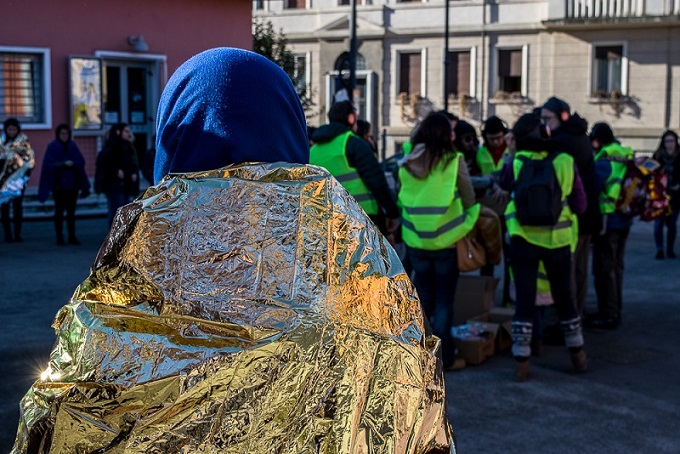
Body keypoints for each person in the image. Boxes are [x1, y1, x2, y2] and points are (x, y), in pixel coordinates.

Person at [14, 48, 454, 453]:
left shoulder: (127, 284)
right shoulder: (363, 276)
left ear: (171, 141)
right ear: (291, 134)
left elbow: (56, 425)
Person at [499, 113, 587, 381]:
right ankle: (578, 357)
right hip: (558, 241)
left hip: (523, 239)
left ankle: (521, 363)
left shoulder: (518, 162)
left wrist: (511, 152)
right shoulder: (565, 161)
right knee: (565, 300)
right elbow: (580, 205)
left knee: (524, 300)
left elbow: (503, 184)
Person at [398, 111, 480, 370]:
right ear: (445, 136)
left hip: (416, 242)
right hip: (446, 242)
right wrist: (471, 217)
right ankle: (445, 360)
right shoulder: (454, 161)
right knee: (444, 301)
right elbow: (469, 199)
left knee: (424, 299)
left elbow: (401, 198)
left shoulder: (407, 162)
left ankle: (419, 356)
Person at [540, 96, 600, 318]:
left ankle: (570, 318)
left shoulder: (565, 140)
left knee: (572, 273)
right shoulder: (577, 134)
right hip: (586, 215)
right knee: (579, 271)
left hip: (578, 218)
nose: (544, 124)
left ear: (562, 117)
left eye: (548, 118)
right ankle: (575, 315)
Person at [310, 101, 399, 236]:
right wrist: (391, 213)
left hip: (328, 222)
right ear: (351, 118)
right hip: (360, 220)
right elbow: (377, 182)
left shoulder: (313, 151)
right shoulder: (354, 144)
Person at [586, 122, 634, 330]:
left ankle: (608, 314)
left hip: (608, 221)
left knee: (604, 269)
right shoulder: (624, 155)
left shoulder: (605, 161)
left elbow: (593, 187)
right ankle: (615, 309)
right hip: (624, 219)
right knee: (617, 267)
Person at [37, 124, 91, 245]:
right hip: (59, 186)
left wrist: (73, 164)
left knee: (71, 212)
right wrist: (62, 164)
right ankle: (59, 236)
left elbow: (80, 161)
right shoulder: (53, 147)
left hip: (72, 185)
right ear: (58, 134)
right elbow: (48, 165)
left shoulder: (72, 146)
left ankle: (72, 236)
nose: (64, 136)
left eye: (66, 133)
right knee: (59, 211)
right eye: (62, 133)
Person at [94, 123, 140, 226]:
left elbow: (132, 162)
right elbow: (104, 162)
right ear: (118, 132)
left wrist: (133, 173)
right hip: (115, 184)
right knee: (116, 211)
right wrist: (116, 171)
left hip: (126, 184)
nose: (129, 134)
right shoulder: (112, 146)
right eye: (126, 131)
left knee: (124, 211)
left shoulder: (128, 146)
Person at [0, 118, 35, 242]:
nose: (12, 132)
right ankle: (8, 234)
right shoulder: (1, 143)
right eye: (10, 129)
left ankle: (17, 234)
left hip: (18, 180)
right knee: (5, 208)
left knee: (17, 207)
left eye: (14, 129)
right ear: (6, 130)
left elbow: (29, 161)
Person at [652, 130, 680, 259]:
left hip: (675, 196)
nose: (670, 144)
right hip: (660, 195)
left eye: (672, 141)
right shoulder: (658, 156)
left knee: (672, 224)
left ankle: (670, 249)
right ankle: (659, 249)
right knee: (658, 224)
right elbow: (649, 172)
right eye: (667, 141)